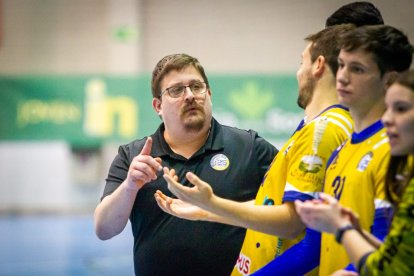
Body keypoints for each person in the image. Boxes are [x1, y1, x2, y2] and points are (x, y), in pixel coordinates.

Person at [156, 24, 354, 275]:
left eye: (301, 61)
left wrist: (213, 203)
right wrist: (208, 211)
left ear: (318, 65)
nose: (298, 72)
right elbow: (273, 204)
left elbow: (297, 226)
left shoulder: (322, 131)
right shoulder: (321, 127)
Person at [94, 53, 278, 276]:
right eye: (177, 90)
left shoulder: (249, 147)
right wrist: (130, 185)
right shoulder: (133, 156)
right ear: (158, 106)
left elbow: (288, 209)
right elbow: (104, 229)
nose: (190, 95)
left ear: (209, 94)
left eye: (196, 87)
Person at [294, 25, 413, 275]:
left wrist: (343, 228)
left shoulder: (394, 155)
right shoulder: (340, 150)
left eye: (357, 69)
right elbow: (314, 247)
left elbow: (390, 267)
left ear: (388, 80)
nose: (342, 76)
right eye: (342, 64)